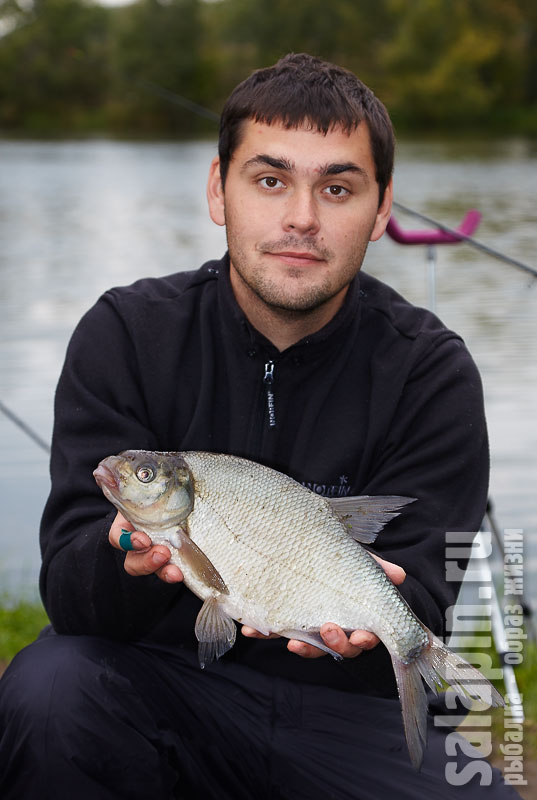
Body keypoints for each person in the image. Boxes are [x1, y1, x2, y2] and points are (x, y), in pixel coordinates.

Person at [0, 54, 520, 799]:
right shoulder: (127, 332)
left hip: (348, 713)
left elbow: (425, 595)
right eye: (270, 180)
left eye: (336, 188)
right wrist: (123, 550)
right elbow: (71, 598)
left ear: (380, 211)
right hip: (158, 686)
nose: (301, 218)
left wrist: (371, 632)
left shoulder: (429, 370)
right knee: (47, 688)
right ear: (219, 190)